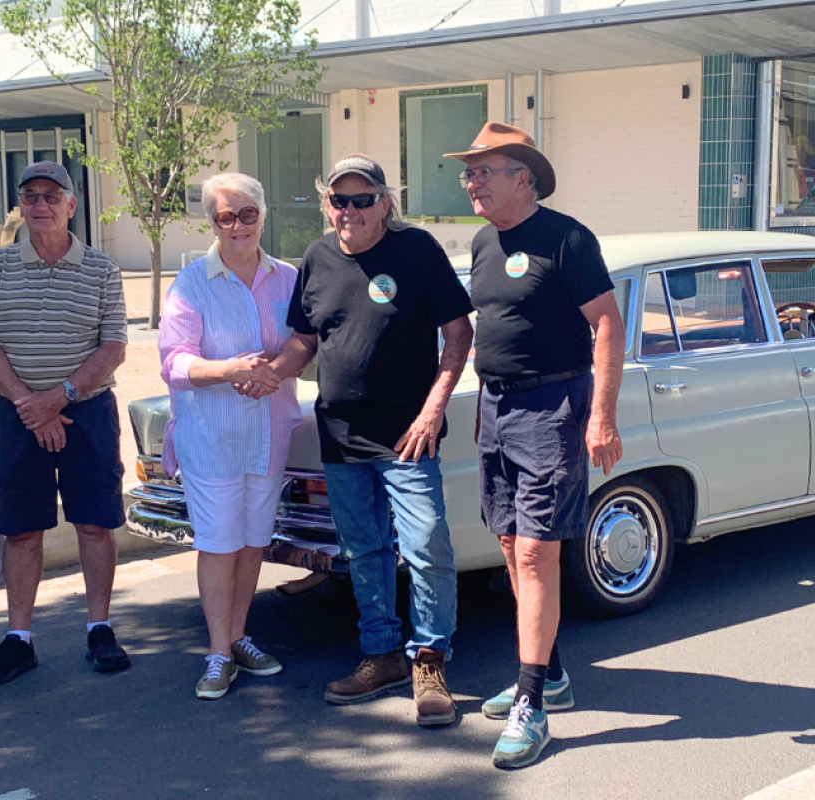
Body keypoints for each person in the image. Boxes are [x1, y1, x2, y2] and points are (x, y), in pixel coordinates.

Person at [264, 154, 474, 725]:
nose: (349, 211)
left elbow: (459, 335)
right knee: (364, 552)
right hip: (342, 436)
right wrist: (271, 372)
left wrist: (432, 412)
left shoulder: (418, 250)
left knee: (427, 545)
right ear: (327, 203)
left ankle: (429, 663)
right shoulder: (317, 258)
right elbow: (305, 341)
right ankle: (379, 656)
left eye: (362, 200)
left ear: (385, 202)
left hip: (409, 436)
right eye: (339, 200)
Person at [444, 122, 625, 768]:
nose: (470, 181)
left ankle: (532, 706)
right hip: (497, 408)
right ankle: (547, 674)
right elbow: (495, 324)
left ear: (523, 176)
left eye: (482, 171)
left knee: (533, 554)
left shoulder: (567, 238)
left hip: (554, 408)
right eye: (468, 172)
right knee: (506, 543)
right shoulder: (482, 242)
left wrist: (600, 415)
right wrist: (485, 405)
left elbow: (606, 322)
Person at [0, 161, 130, 685]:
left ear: (71, 205)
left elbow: (113, 348)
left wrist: (58, 399)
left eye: (50, 195)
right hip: (18, 415)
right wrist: (29, 404)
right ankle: (19, 639)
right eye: (29, 195)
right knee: (22, 529)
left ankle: (100, 628)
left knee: (94, 523)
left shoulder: (102, 269)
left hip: (86, 412)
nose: (39, 204)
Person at [157, 172, 300, 700]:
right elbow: (175, 361)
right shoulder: (192, 281)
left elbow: (302, 344)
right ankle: (218, 653)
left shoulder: (287, 277)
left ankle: (239, 637)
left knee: (252, 544)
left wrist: (276, 370)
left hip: (268, 435)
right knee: (219, 545)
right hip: (211, 439)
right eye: (225, 216)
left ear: (263, 215)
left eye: (248, 214)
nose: (238, 225)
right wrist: (230, 370)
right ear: (210, 221)